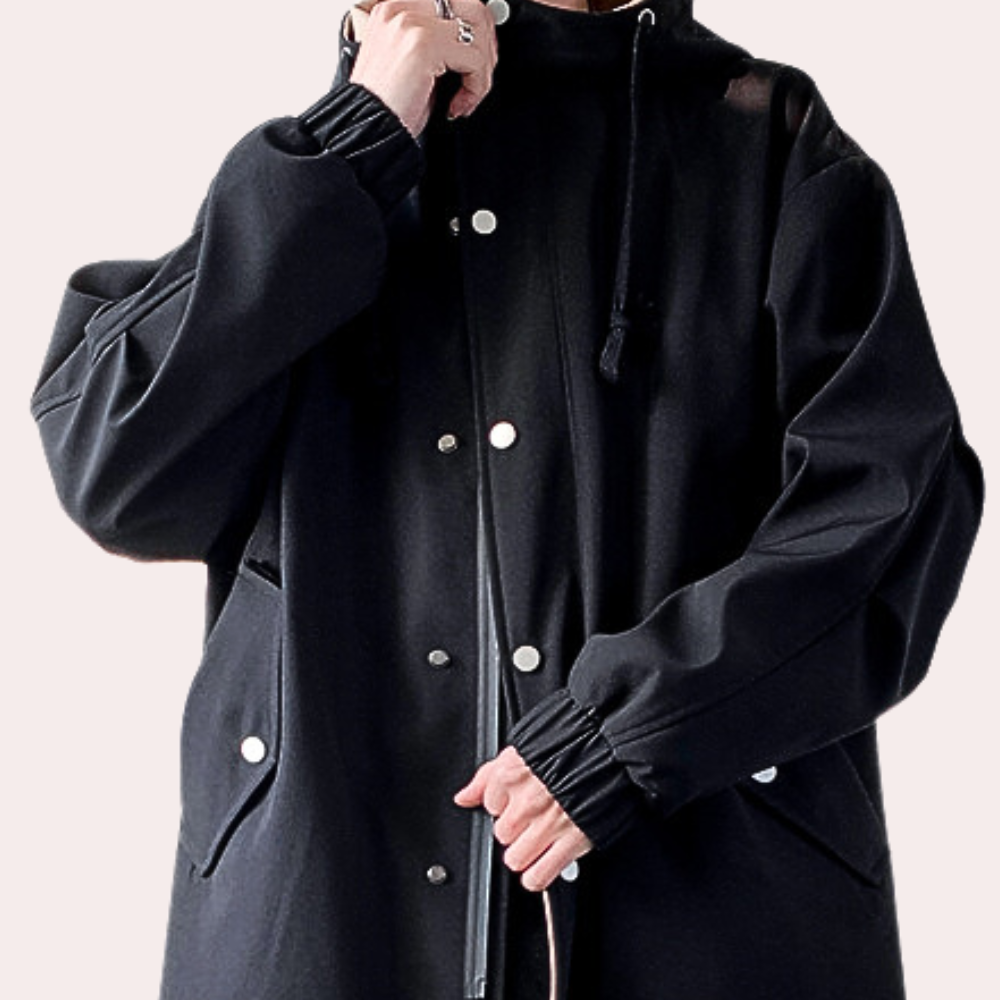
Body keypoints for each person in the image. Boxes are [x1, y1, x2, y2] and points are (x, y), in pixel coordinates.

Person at [28, 0, 984, 997]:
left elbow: (892, 513)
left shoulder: (769, 149)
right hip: (333, 916)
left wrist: (627, 733)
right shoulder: (345, 170)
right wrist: (356, 137)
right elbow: (113, 464)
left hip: (704, 914)